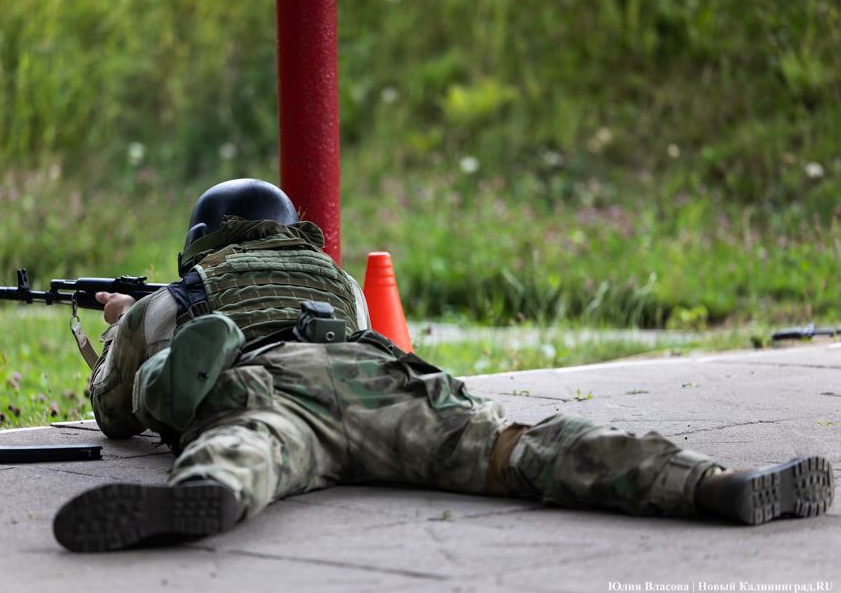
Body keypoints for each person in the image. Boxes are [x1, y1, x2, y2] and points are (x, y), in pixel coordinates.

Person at [54, 178, 835, 552]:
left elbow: (117, 414)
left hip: (271, 382)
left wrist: (125, 326)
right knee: (519, 448)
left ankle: (210, 495)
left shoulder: (180, 299)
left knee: (248, 443)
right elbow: (353, 331)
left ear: (200, 244)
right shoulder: (339, 283)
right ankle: (707, 482)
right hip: (379, 375)